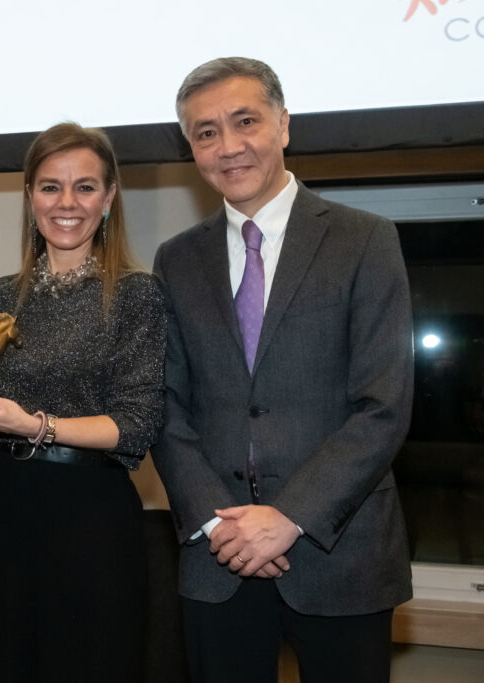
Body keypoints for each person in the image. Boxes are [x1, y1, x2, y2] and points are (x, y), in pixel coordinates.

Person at [151, 57, 414, 683]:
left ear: (284, 124)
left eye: (246, 121)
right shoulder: (177, 259)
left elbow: (384, 405)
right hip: (218, 559)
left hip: (339, 552)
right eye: (205, 132)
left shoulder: (365, 240)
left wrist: (288, 517)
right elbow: (165, 404)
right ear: (191, 147)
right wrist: (222, 522)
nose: (228, 146)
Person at [0, 122, 167, 682]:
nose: (67, 203)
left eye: (85, 187)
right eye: (50, 187)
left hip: (92, 517)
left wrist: (36, 426)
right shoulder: (4, 295)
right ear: (30, 198)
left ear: (109, 198)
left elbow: (137, 425)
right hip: (7, 506)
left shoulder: (136, 293)